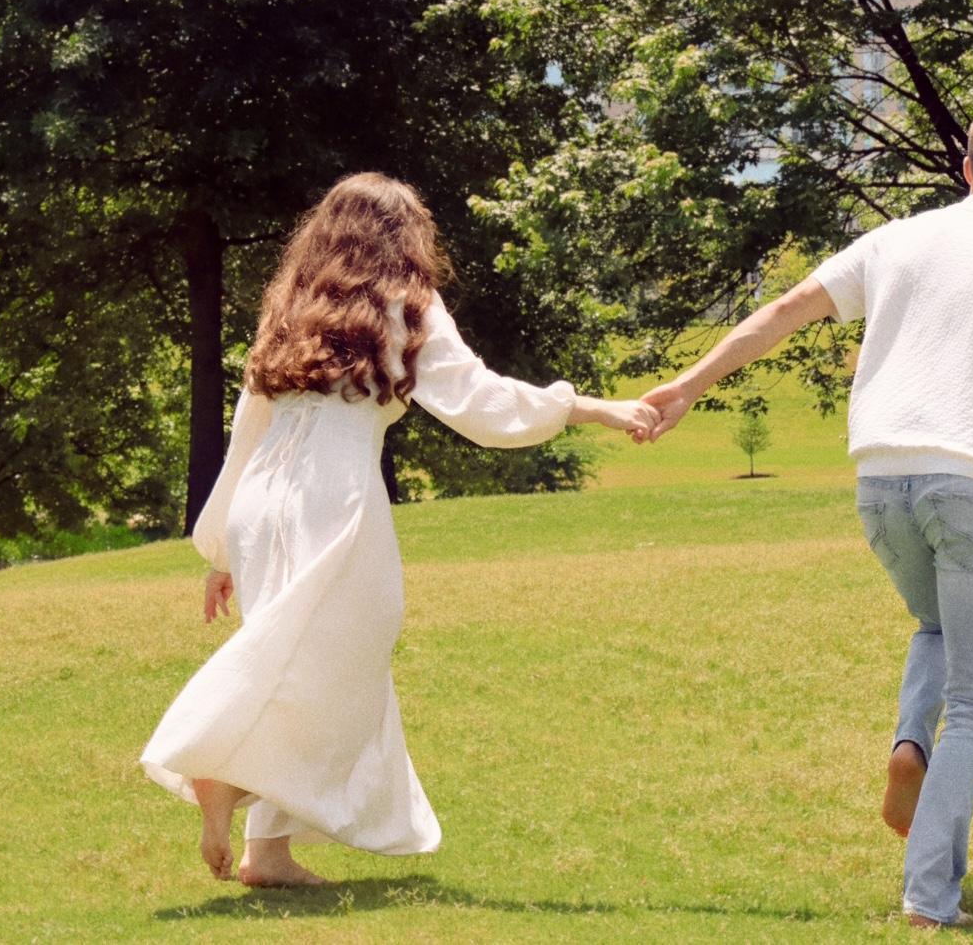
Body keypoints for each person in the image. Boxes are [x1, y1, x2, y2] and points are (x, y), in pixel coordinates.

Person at [642, 105, 973, 930]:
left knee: (936, 625)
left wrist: (689, 385)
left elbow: (786, 309)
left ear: (967, 167)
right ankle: (929, 897)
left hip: (880, 484)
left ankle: (911, 744)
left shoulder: (896, 240)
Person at [142, 173, 658, 888]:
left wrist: (225, 549)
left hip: (262, 501)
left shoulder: (292, 302)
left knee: (288, 650)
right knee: (341, 660)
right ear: (402, 236)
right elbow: (479, 399)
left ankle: (269, 852)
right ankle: (224, 774)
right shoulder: (405, 302)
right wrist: (591, 408)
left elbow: (248, 427)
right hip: (335, 494)